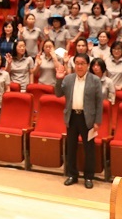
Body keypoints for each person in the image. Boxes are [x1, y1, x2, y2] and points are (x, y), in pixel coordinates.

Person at [55, 53, 102, 189]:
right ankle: (72, 175)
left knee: (89, 149)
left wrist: (97, 121)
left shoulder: (95, 80)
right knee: (71, 148)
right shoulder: (69, 79)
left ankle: (88, 177)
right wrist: (59, 79)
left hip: (88, 119)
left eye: (82, 63)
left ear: (88, 65)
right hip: (72, 117)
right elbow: (58, 93)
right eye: (77, 63)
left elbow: (99, 103)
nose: (79, 66)